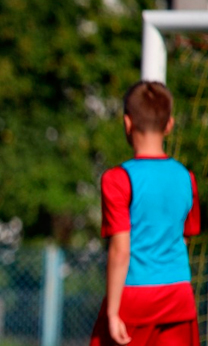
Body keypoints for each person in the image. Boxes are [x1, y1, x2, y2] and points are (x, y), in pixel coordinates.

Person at [90, 81, 201, 346]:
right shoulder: (187, 178)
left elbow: (120, 250)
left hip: (135, 300)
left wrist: (113, 312)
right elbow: (182, 238)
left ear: (127, 123)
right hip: (179, 298)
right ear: (169, 124)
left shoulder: (117, 179)